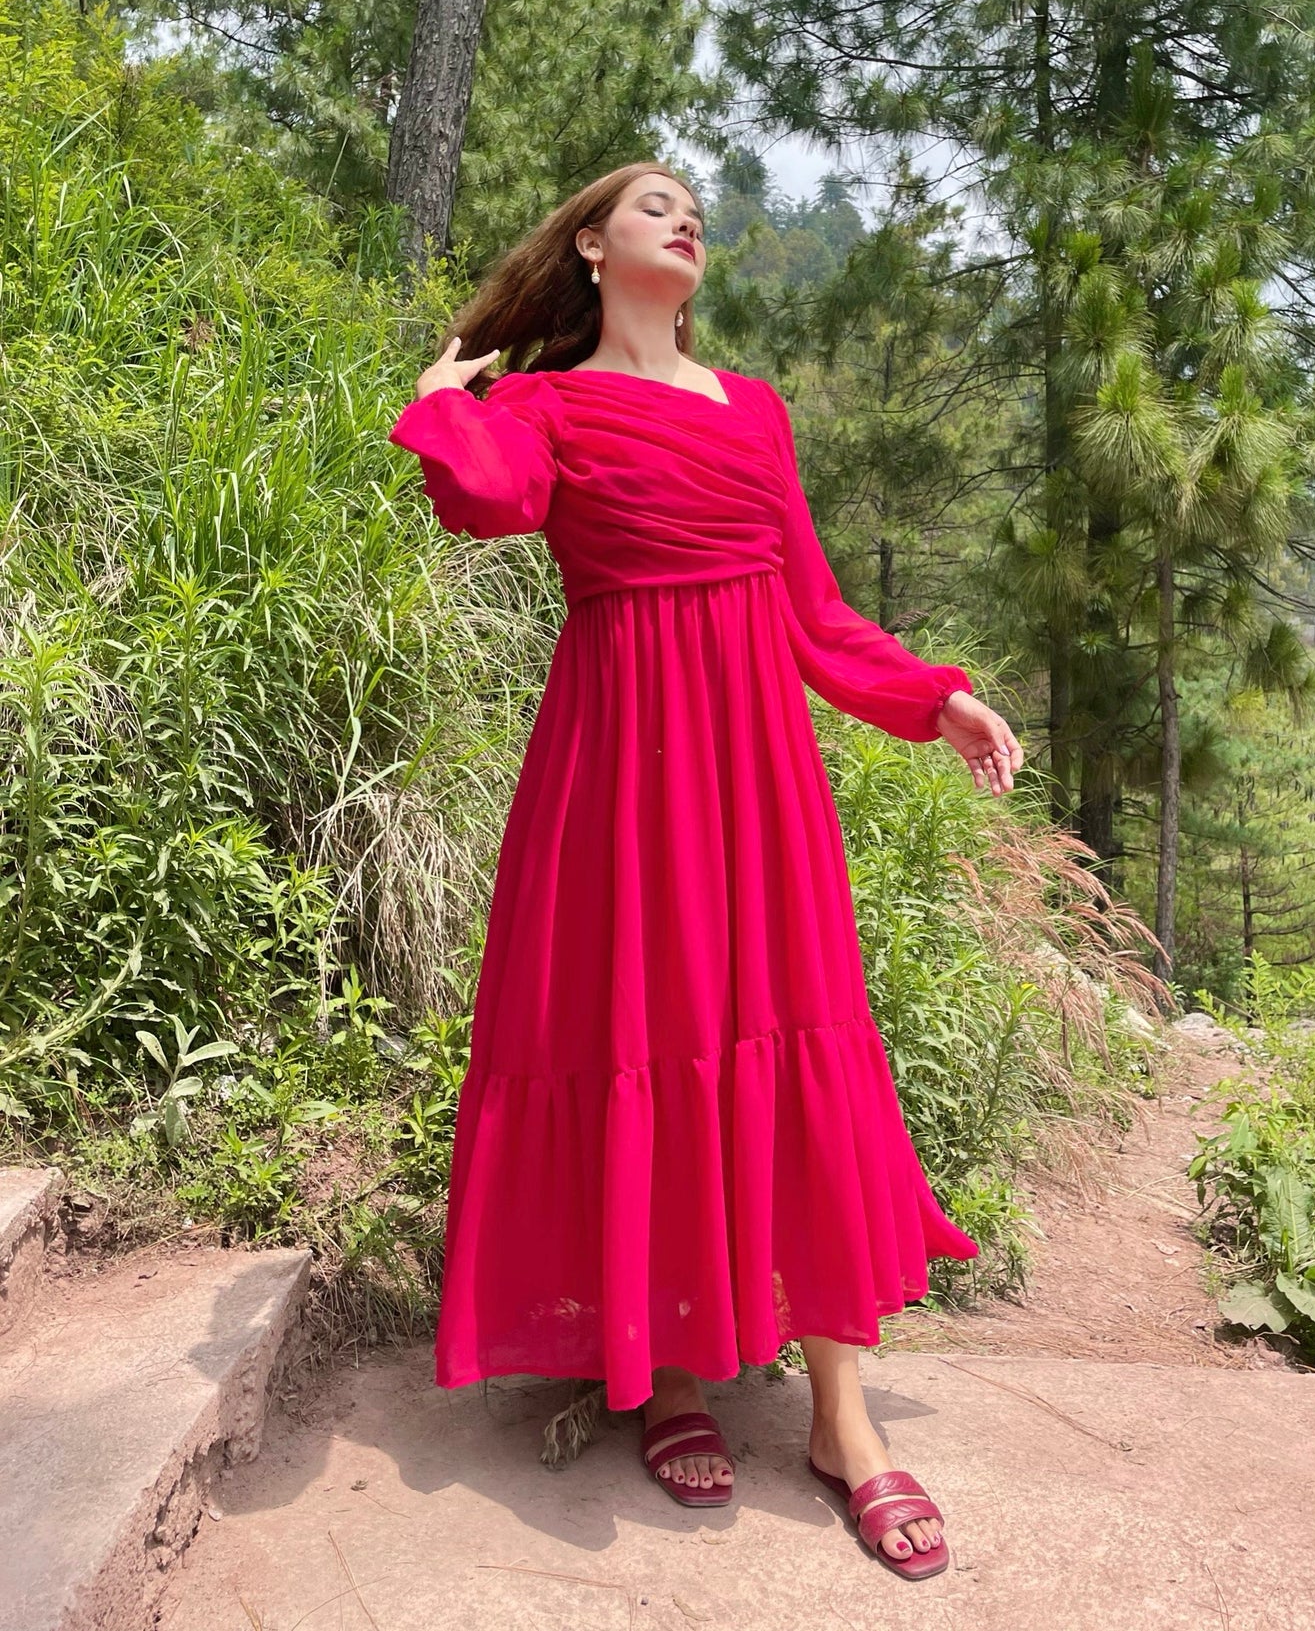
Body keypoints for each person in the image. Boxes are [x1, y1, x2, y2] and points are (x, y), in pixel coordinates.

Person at [388, 161, 1025, 1581]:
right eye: (652, 202)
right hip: (616, 768)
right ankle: (668, 1372)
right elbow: (486, 506)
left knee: (797, 1041)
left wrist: (935, 696)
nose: (684, 218)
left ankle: (840, 1422)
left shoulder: (754, 411)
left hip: (754, 769)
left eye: (692, 208)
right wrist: (449, 392)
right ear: (593, 248)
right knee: (646, 1031)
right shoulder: (543, 404)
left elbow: (811, 609)